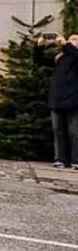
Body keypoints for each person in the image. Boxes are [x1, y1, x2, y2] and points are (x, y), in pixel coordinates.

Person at [36, 33, 78, 169]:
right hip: (57, 100)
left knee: (75, 132)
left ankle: (75, 160)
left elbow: (75, 56)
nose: (72, 41)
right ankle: (60, 159)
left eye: (75, 39)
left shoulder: (75, 56)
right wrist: (39, 46)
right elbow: (39, 60)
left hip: (74, 102)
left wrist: (66, 44)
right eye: (71, 38)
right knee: (58, 131)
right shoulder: (60, 58)